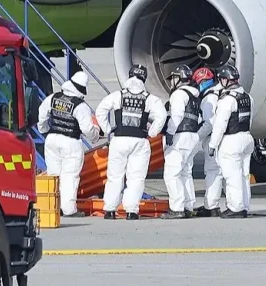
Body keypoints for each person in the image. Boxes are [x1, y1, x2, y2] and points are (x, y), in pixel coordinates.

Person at [96, 64, 167, 220]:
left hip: (119, 140)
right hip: (140, 141)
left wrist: (108, 129)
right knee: (136, 177)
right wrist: (152, 132)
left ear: (129, 76)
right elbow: (162, 116)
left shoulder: (118, 95)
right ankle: (131, 211)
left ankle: (109, 210)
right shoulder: (150, 99)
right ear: (144, 78)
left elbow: (100, 110)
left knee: (115, 176)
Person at [36, 70, 100, 218]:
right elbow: (87, 129)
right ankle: (69, 209)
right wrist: (95, 136)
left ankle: (54, 207)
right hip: (71, 142)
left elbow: (42, 114)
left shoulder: (53, 98)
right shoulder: (80, 105)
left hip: (52, 140)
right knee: (70, 176)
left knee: (53, 174)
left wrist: (44, 130)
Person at [209, 64, 255, 218]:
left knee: (232, 175)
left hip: (231, 140)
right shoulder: (248, 97)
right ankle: (245, 204)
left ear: (225, 80)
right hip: (247, 137)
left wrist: (212, 145)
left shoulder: (227, 100)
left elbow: (220, 125)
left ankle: (236, 207)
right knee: (244, 175)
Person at [161, 64, 202, 219]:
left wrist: (170, 133)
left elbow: (176, 116)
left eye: (173, 78)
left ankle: (177, 208)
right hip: (193, 137)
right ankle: (188, 206)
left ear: (179, 78)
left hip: (180, 137)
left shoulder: (178, 94)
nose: (172, 82)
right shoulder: (196, 96)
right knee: (186, 173)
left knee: (172, 174)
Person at [194, 66, 224, 217]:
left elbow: (209, 123)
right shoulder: (223, 93)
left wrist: (195, 137)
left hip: (212, 138)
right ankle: (235, 205)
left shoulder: (208, 98)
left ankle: (211, 205)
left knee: (213, 171)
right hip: (227, 137)